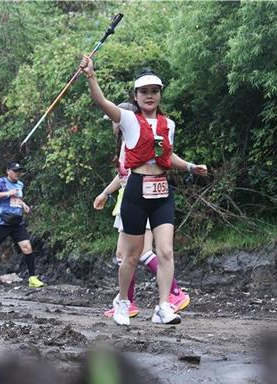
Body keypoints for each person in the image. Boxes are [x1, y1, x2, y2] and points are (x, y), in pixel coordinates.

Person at [80, 57, 207, 326]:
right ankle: (123, 303)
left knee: (165, 252)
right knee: (132, 256)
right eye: (144, 92)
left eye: (154, 91)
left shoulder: (168, 124)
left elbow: (167, 157)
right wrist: (91, 76)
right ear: (136, 96)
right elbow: (102, 102)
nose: (149, 96)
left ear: (160, 95)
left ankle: (163, 307)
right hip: (136, 191)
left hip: (162, 192)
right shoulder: (127, 118)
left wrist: (190, 167)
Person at [93, 102, 191, 318]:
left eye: (113, 121)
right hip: (130, 198)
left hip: (141, 198)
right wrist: (106, 193)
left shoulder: (134, 138)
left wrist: (105, 193)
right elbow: (123, 175)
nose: (113, 125)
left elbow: (134, 172)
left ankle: (171, 294)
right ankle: (128, 301)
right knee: (126, 253)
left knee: (142, 252)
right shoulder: (127, 140)